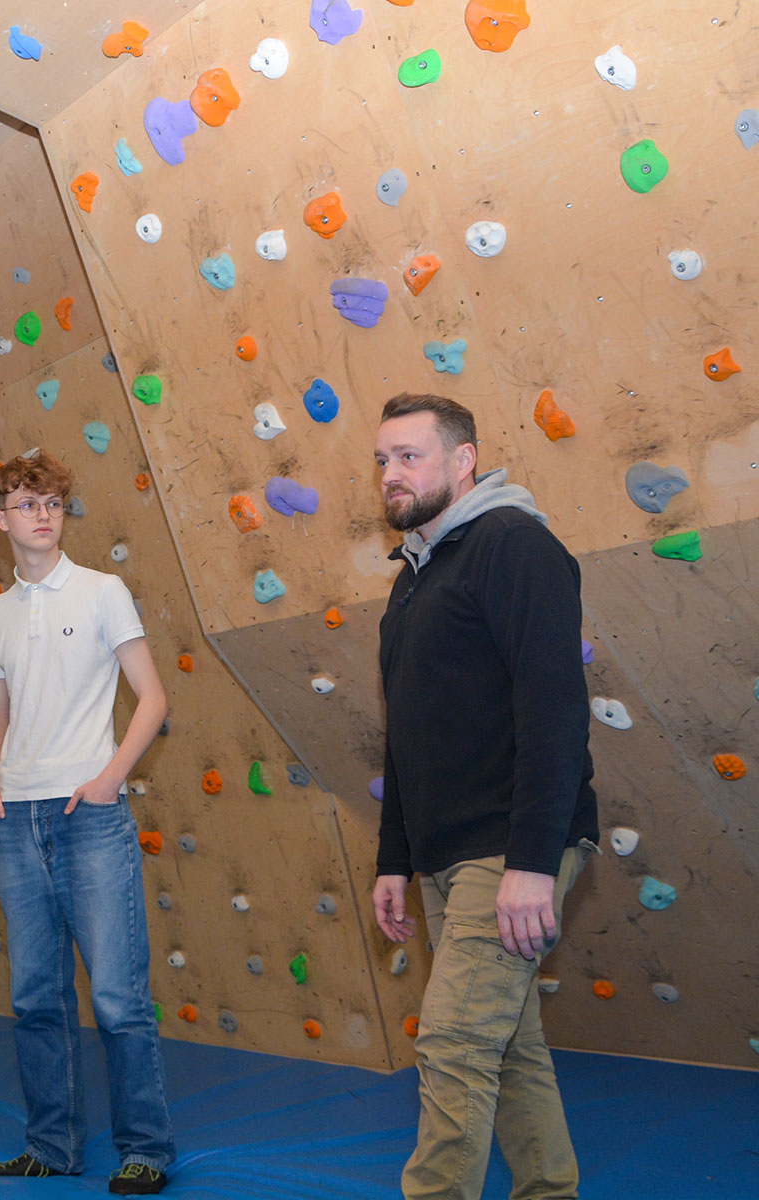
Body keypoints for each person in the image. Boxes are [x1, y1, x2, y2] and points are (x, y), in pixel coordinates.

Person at [370, 394, 599, 1200]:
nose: (392, 474)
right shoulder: (412, 581)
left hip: (512, 845)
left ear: (463, 460)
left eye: (410, 456)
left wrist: (533, 861)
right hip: (443, 854)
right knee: (507, 1048)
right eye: (383, 460)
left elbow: (556, 710)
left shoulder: (515, 546)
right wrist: (393, 859)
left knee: (455, 1043)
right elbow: (406, 736)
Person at [0, 452, 176, 1196]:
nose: (42, 514)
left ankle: (145, 1148)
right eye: (27, 503)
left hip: (88, 816)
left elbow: (150, 698)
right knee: (35, 997)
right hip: (12, 818)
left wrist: (107, 781)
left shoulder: (102, 591)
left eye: (53, 502)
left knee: (119, 998)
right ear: (2, 519)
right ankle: (51, 1147)